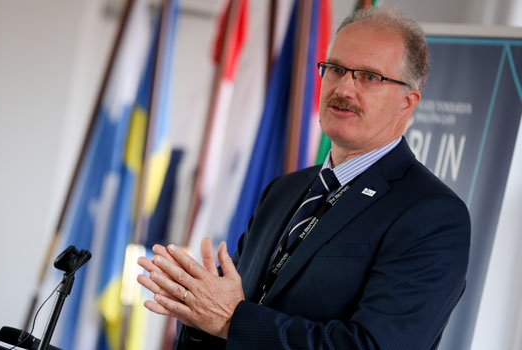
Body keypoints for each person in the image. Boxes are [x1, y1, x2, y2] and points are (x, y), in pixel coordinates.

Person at [137, 6, 470, 350]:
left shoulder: (432, 214)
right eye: (336, 69)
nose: (344, 88)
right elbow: (228, 317)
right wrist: (198, 319)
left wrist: (232, 321)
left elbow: (371, 346)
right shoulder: (283, 191)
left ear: (407, 102)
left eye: (369, 77)